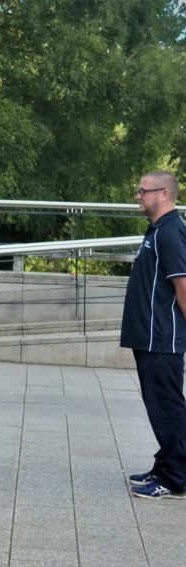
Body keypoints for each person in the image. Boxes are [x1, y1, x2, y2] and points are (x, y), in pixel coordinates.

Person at [121, 171, 186, 500]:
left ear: (163, 193)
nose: (138, 196)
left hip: (162, 339)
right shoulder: (158, 229)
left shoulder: (171, 232)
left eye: (143, 191)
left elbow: (183, 287)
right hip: (148, 337)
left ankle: (176, 478)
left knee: (168, 408)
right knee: (158, 406)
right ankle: (166, 464)